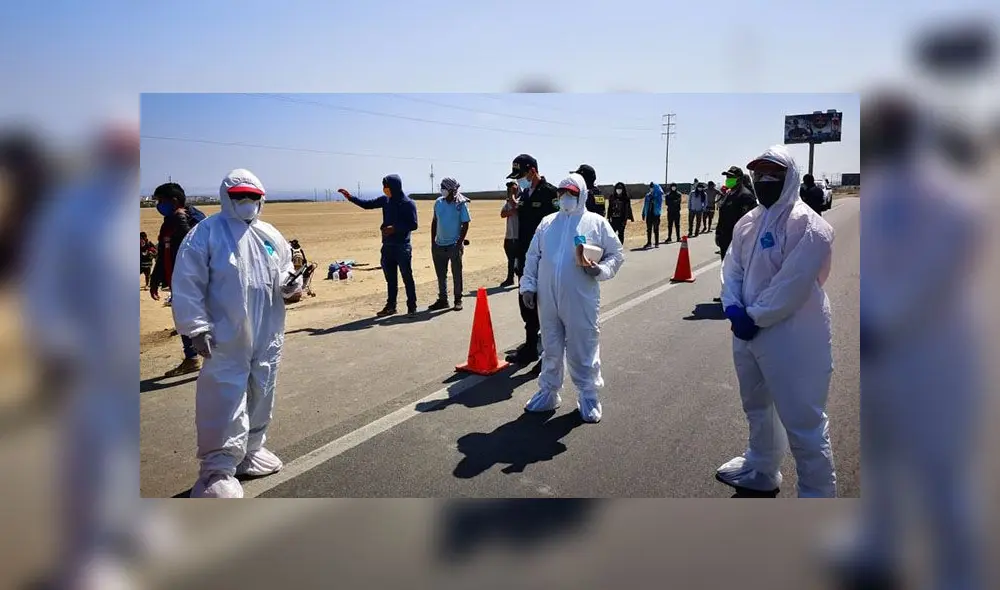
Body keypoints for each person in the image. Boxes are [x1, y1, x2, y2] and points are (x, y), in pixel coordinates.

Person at [172, 168, 303, 499]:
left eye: (253, 197)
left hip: (267, 332)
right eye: (239, 196)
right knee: (225, 395)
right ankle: (216, 470)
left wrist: (293, 286)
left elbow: (286, 273)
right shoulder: (207, 233)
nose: (246, 202)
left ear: (262, 198)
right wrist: (196, 327)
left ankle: (251, 450)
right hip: (224, 336)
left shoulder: (271, 235)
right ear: (226, 198)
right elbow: (188, 282)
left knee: (262, 387)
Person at [715, 145, 837, 498]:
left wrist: (753, 316)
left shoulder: (810, 226)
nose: (764, 181)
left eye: (773, 175)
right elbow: (732, 268)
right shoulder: (748, 222)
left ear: (790, 178)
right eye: (759, 174)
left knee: (804, 422)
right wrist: (733, 306)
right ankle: (762, 467)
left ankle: (817, 495)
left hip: (794, 337)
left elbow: (792, 284)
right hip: (748, 333)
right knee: (757, 406)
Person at [519, 173, 625, 423]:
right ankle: (548, 392)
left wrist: (600, 270)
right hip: (548, 299)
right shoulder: (547, 223)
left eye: (571, 193)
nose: (565, 197)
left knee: (582, 345)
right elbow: (533, 256)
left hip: (580, 298)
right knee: (551, 346)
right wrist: (528, 286)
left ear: (582, 195)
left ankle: (588, 395)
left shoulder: (596, 223)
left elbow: (616, 255)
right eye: (561, 192)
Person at [339, 175, 419, 317]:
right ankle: (391, 307)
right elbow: (367, 204)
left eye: (386, 186)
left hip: (402, 247)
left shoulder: (408, 203)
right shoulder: (385, 200)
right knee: (391, 279)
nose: (384, 189)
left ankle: (412, 307)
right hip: (387, 246)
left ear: (394, 187)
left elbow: (413, 224)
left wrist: (394, 228)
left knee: (407, 277)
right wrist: (350, 197)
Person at [505, 154, 558, 364]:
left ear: (532, 171)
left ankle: (547, 355)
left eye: (522, 175)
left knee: (545, 307)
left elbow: (556, 227)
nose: (520, 180)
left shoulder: (550, 193)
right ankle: (529, 348)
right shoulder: (526, 194)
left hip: (545, 259)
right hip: (526, 257)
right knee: (526, 304)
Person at [149, 182, 201, 377]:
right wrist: (155, 278)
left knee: (202, 319)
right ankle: (191, 359)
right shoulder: (167, 222)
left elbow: (198, 247)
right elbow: (163, 251)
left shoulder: (196, 218)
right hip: (176, 283)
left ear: (174, 201)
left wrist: (182, 222)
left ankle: (217, 360)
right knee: (183, 321)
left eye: (161, 201)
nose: (158, 205)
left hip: (197, 283)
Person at [714, 166, 758, 303]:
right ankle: (727, 294)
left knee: (738, 270)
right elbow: (722, 216)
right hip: (725, 238)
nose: (728, 180)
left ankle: (740, 297)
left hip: (738, 240)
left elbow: (750, 221)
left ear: (738, 179)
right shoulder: (728, 194)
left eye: (731, 177)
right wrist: (718, 233)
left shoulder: (745, 196)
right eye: (727, 177)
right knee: (726, 268)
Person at [430, 177, 471, 311]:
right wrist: (433, 242)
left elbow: (465, 224)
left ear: (452, 190)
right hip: (439, 245)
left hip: (454, 245)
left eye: (444, 188)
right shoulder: (438, 202)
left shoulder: (460, 204)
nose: (442, 190)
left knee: (456, 274)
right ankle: (443, 300)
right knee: (441, 275)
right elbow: (435, 221)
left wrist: (459, 243)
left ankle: (458, 299)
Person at [500, 180, 519, 287]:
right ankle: (510, 278)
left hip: (518, 236)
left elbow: (515, 206)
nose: (509, 191)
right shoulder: (508, 202)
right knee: (510, 259)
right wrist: (510, 212)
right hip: (509, 236)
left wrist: (512, 194)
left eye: (512, 188)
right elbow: (502, 214)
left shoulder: (521, 199)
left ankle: (521, 277)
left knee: (519, 260)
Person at [285, 238, 317, 303]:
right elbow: (305, 261)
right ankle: (305, 289)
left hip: (294, 271)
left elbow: (289, 261)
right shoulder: (300, 250)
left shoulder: (291, 251)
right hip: (302, 270)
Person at [641, 182, 664, 248]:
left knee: (656, 229)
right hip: (649, 214)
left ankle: (657, 243)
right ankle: (649, 243)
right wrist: (643, 213)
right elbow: (645, 205)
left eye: (652, 187)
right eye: (650, 187)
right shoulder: (647, 195)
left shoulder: (659, 196)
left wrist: (654, 199)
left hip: (656, 214)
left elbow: (659, 204)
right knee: (649, 229)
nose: (651, 189)